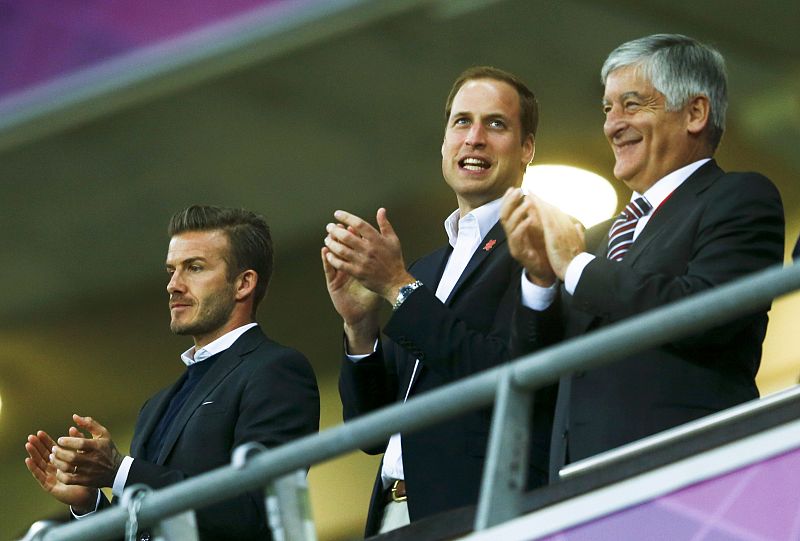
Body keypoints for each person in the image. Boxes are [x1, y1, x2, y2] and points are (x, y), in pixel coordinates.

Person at [500, 34, 785, 479]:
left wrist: (575, 267)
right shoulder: (598, 240)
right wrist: (540, 281)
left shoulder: (739, 197)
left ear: (694, 113)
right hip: (576, 493)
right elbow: (537, 379)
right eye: (607, 110)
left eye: (632, 105)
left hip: (686, 477)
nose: (613, 125)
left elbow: (707, 314)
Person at [322, 66, 554, 535]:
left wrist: (397, 288)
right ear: (444, 142)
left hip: (476, 511)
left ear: (526, 148)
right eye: (461, 122)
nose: (474, 138)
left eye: (495, 124)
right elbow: (370, 432)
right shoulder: (428, 270)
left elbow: (504, 373)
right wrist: (360, 327)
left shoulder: (541, 246)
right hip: (393, 514)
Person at [24, 205, 320, 541]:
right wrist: (90, 503)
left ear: (243, 284)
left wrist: (121, 471)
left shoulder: (274, 369)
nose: (173, 285)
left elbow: (260, 509)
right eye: (171, 270)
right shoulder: (155, 406)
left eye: (194, 268)